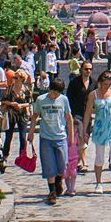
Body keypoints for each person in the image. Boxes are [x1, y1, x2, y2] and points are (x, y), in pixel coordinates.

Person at [32, 76, 76, 205]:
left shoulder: (64, 100)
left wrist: (71, 136)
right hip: (46, 137)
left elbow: (69, 118)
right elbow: (35, 116)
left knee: (62, 165)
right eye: (53, 92)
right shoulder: (41, 100)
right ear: (49, 89)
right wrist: (31, 132)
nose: (54, 95)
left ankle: (58, 181)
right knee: (49, 165)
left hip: (61, 137)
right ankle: (51, 192)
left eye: (57, 93)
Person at [1, 70, 33, 162]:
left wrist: (21, 106)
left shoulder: (26, 90)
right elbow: (3, 100)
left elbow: (30, 103)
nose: (14, 79)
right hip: (11, 114)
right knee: (8, 136)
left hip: (22, 114)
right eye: (14, 77)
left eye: (16, 77)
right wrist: (11, 103)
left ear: (22, 79)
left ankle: (22, 156)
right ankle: (5, 155)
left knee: (23, 137)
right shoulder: (10, 88)